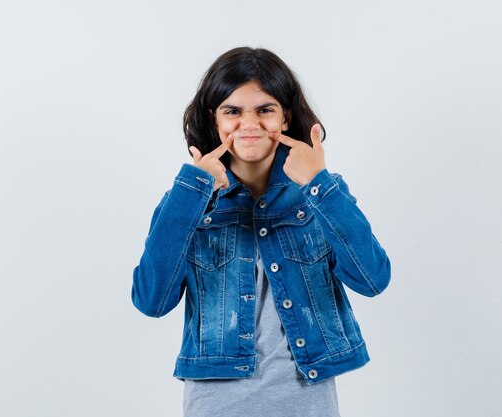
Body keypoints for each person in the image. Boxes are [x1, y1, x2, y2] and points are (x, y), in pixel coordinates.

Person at [131, 47, 391, 417]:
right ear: (214, 120)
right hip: (215, 403)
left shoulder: (320, 194)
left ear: (285, 117)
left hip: (306, 399)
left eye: (264, 109)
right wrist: (193, 191)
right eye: (232, 111)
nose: (249, 124)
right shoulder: (186, 202)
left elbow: (373, 278)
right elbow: (151, 301)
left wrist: (319, 184)